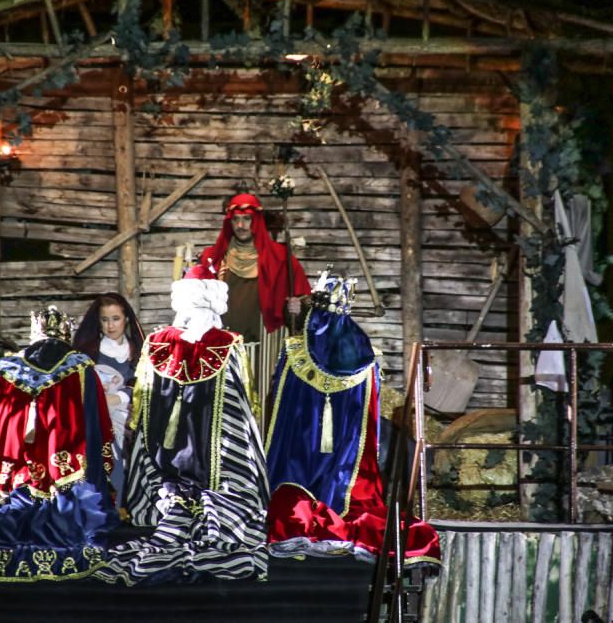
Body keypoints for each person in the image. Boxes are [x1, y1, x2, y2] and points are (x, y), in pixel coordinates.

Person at [93, 264, 270, 585]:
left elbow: (143, 405)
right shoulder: (227, 343)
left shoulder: (158, 343)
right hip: (216, 463)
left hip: (164, 459)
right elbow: (241, 410)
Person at [264, 272, 441, 568]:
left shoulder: (297, 351)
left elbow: (283, 419)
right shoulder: (363, 354)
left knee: (288, 502)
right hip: (349, 472)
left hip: (298, 466)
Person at [0, 305, 118, 582]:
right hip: (66, 476)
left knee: (10, 510)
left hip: (17, 471)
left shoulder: (7, 369)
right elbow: (96, 424)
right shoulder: (79, 366)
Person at [199, 192, 312, 425]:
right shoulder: (214, 257)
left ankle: (263, 458)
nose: (241, 225)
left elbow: (305, 303)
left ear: (257, 221)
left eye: (247, 219)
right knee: (224, 408)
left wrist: (298, 306)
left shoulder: (281, 258)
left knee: (264, 410)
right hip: (223, 349)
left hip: (266, 349)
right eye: (236, 219)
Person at [73, 293, 145, 506]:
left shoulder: (138, 350)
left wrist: (119, 396)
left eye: (116, 319)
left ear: (126, 320)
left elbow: (144, 384)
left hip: (131, 409)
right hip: (95, 412)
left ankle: (129, 501)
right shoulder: (88, 351)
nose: (111, 325)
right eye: (105, 320)